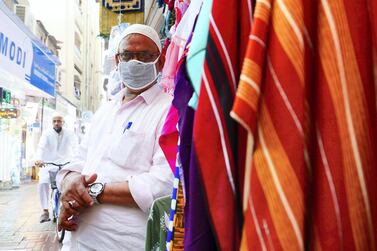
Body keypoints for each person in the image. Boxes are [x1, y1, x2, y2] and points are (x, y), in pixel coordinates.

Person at [56, 24, 174, 250]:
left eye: (145, 56)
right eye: (128, 55)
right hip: (78, 240)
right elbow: (80, 157)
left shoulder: (169, 111)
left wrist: (91, 191)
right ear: (118, 61)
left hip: (124, 242)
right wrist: (69, 182)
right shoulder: (105, 110)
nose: (135, 62)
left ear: (160, 61)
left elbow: (162, 184)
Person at [35, 112, 78, 223]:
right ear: (52, 122)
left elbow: (75, 146)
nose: (56, 123)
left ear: (63, 122)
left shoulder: (69, 133)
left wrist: (77, 159)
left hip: (65, 163)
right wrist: (39, 159)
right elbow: (41, 147)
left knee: (70, 183)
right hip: (48, 164)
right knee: (43, 183)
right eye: (54, 121)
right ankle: (45, 210)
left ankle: (68, 207)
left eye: (59, 121)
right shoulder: (47, 133)